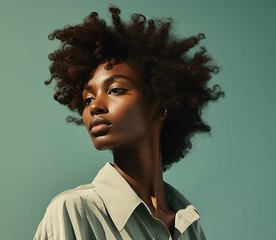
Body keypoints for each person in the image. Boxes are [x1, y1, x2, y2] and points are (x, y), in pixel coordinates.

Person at [34, 6, 224, 240]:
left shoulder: (189, 227)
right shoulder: (74, 212)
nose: (94, 107)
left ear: (161, 106)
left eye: (115, 90)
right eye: (88, 99)